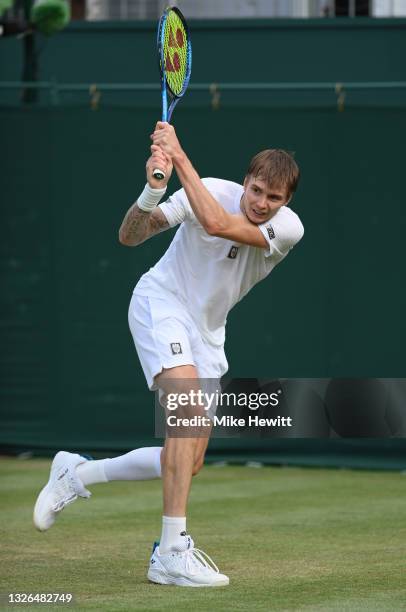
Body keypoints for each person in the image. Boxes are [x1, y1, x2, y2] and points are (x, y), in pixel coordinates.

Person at [33, 122, 304, 588]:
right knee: (188, 418)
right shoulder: (209, 191)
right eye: (257, 190)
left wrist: (178, 157)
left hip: (208, 334)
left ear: (286, 202)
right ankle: (171, 551)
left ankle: (76, 472)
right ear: (245, 181)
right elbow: (131, 237)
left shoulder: (288, 228)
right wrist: (152, 190)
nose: (262, 203)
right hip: (161, 304)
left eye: (273, 198)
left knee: (186, 460)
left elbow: (219, 225)